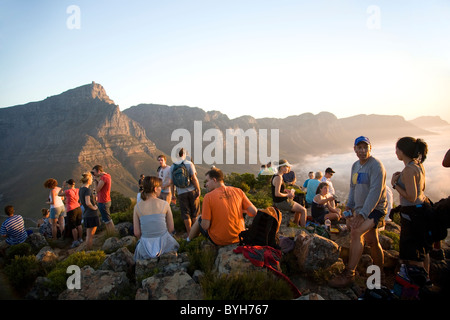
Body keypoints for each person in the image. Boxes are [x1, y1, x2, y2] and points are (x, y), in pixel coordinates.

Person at [329, 136, 387, 288]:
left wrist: (362, 215)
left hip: (375, 209)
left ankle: (350, 274)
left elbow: (375, 192)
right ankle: (379, 273)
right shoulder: (355, 166)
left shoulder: (376, 166)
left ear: (370, 148)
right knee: (373, 241)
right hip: (361, 208)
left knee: (356, 232)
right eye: (359, 148)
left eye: (364, 147)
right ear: (354, 149)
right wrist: (349, 206)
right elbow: (353, 187)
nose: (362, 151)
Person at [391, 137, 433, 272]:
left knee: (413, 253)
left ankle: (417, 285)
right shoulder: (418, 165)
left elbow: (411, 196)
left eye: (397, 149)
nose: (395, 152)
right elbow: (422, 188)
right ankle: (425, 281)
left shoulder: (409, 170)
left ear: (402, 151)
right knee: (423, 250)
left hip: (413, 214)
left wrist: (395, 184)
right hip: (423, 208)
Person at [188, 167, 258, 245]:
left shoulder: (208, 197)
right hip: (239, 237)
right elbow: (254, 212)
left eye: (207, 181)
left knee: (200, 218)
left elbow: (205, 226)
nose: (206, 184)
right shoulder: (238, 191)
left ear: (214, 180)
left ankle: (188, 241)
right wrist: (239, 210)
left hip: (220, 240)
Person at [133, 176, 179, 260]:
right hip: (164, 244)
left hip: (145, 246)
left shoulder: (137, 207)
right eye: (160, 187)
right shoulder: (164, 204)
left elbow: (136, 233)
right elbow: (171, 228)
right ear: (155, 189)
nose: (161, 189)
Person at [170, 148, 201, 234]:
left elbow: (172, 183)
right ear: (184, 154)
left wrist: (173, 195)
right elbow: (194, 178)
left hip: (181, 193)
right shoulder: (189, 164)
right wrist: (198, 189)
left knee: (186, 214)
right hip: (192, 191)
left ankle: (189, 234)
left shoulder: (172, 167)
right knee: (195, 213)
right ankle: (196, 234)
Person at [271, 159, 307, 227]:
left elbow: (277, 189)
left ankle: (296, 224)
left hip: (278, 201)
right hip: (281, 203)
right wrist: (288, 195)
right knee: (303, 210)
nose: (288, 168)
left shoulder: (277, 175)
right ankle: (303, 229)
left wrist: (285, 190)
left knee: (299, 209)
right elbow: (277, 193)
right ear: (282, 167)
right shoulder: (279, 178)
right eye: (287, 167)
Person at [79, 172, 100, 250]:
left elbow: (84, 201)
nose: (92, 180)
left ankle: (88, 249)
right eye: (91, 178)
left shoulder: (81, 189)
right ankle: (89, 250)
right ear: (88, 180)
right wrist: (94, 207)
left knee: (89, 235)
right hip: (91, 214)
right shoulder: (87, 190)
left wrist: (93, 198)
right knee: (90, 235)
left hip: (86, 214)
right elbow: (88, 202)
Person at [91, 165, 115, 234]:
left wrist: (95, 180)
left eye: (94, 172)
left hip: (103, 201)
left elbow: (97, 189)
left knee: (108, 220)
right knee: (106, 219)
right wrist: (99, 176)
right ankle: (110, 233)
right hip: (106, 200)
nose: (94, 174)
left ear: (98, 171)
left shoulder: (104, 178)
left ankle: (112, 233)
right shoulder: (107, 175)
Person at [59, 179, 83, 248]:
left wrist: (63, 186)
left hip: (71, 210)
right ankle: (80, 239)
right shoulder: (77, 190)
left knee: (73, 227)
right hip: (78, 208)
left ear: (68, 184)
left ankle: (75, 241)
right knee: (79, 224)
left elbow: (59, 194)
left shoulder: (68, 191)